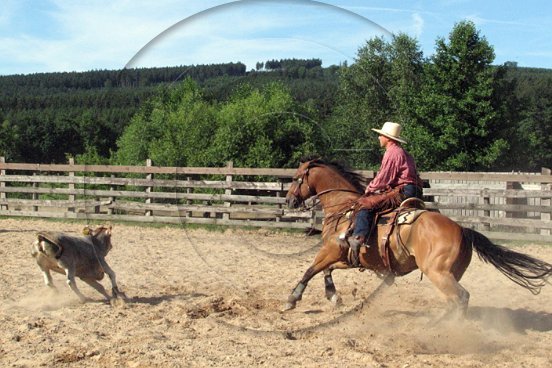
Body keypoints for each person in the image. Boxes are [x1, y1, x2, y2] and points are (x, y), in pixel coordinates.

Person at [348, 121, 423, 267]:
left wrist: (369, 189)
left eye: (380, 135)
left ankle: (359, 237)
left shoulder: (392, 152)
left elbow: (384, 178)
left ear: (387, 138)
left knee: (366, 204)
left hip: (403, 190)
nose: (379, 138)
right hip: (413, 189)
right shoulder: (403, 152)